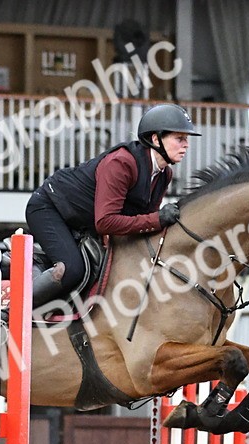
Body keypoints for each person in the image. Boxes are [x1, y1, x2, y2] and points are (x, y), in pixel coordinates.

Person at [22, 103, 200, 314]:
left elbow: (144, 220)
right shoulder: (121, 163)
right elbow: (105, 221)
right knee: (72, 270)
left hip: (83, 218)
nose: (186, 145)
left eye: (186, 139)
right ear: (155, 139)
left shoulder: (163, 174)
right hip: (49, 208)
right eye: (180, 139)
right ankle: (13, 312)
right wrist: (158, 219)